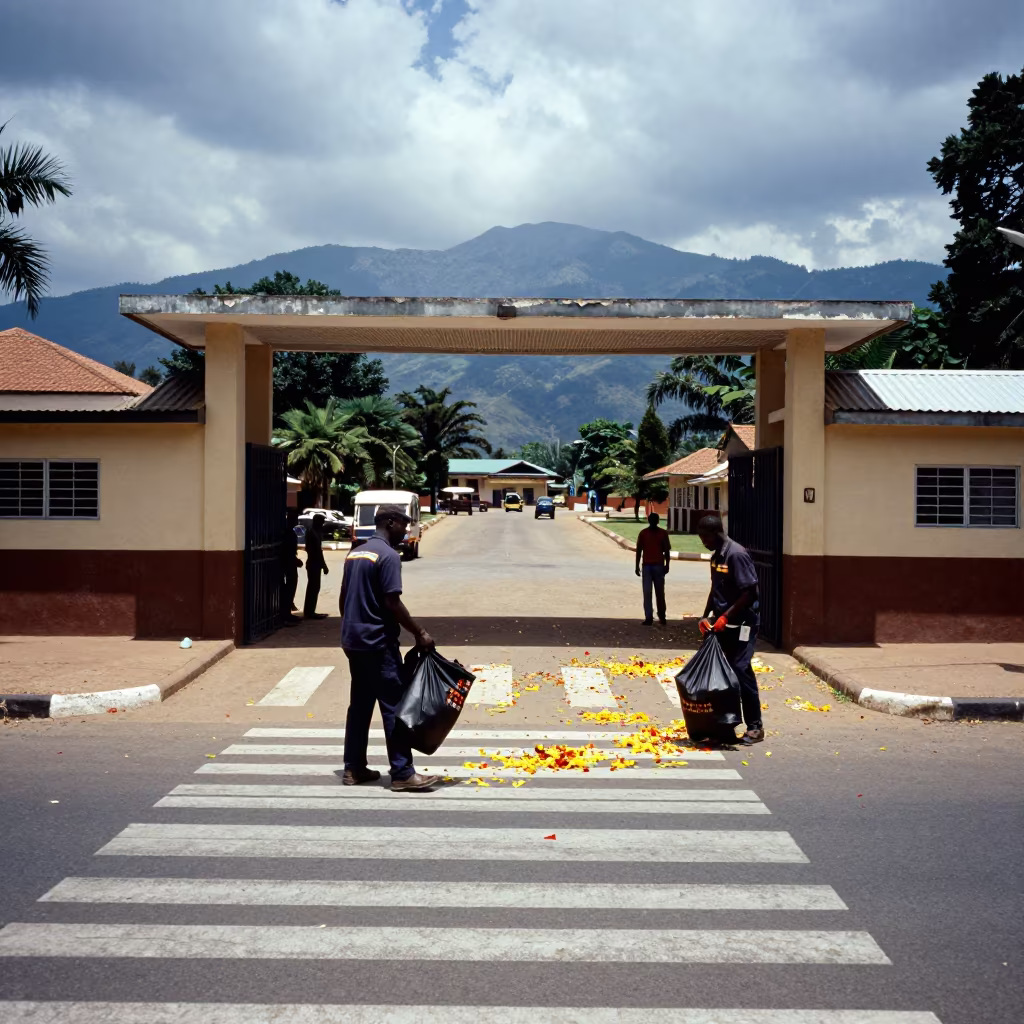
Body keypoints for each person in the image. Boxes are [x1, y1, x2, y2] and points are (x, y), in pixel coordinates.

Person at [339, 504, 440, 792]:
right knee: (394, 706)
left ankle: (353, 768)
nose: (406, 531)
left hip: (353, 641)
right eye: (404, 526)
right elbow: (391, 602)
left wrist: (351, 628)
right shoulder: (388, 555)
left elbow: (344, 598)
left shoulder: (355, 552)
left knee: (359, 705)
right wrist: (420, 633)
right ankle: (402, 772)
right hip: (378, 642)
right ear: (390, 522)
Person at [696, 514, 763, 745]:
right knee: (721, 673)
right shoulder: (717, 557)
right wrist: (706, 616)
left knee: (740, 670)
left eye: (704, 537)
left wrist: (726, 616)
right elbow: (716, 589)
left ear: (714, 533)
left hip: (743, 624)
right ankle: (724, 726)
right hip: (723, 624)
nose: (703, 542)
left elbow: (750, 593)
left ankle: (755, 727)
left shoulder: (736, 555)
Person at [635, 511, 671, 625]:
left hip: (655, 566)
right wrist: (636, 565)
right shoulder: (644, 533)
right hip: (649, 566)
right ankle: (651, 616)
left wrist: (667, 565)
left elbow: (666, 551)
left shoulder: (662, 534)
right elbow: (639, 550)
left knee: (656, 592)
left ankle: (660, 616)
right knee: (650, 592)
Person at [303, 512, 329, 620]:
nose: (322, 524)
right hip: (314, 563)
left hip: (315, 563)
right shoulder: (312, 533)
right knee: (313, 587)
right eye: (321, 522)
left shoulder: (315, 532)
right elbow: (317, 551)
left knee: (314, 587)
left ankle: (310, 611)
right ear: (316, 521)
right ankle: (309, 612)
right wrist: (324, 565)